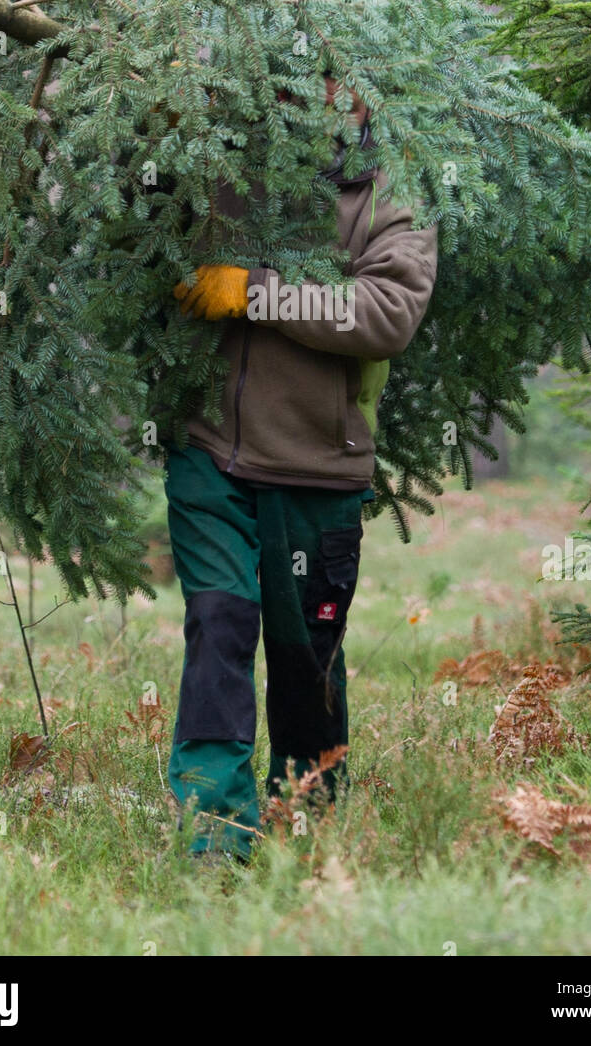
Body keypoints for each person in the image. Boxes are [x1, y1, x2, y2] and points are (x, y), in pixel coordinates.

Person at [165, 80, 438, 862]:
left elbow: (385, 315)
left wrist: (254, 293)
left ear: (369, 98)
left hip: (317, 467)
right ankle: (214, 833)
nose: (324, 96)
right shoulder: (225, 166)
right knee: (217, 626)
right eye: (310, 76)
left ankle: (306, 815)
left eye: (344, 83)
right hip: (207, 450)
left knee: (302, 654)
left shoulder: (392, 200)